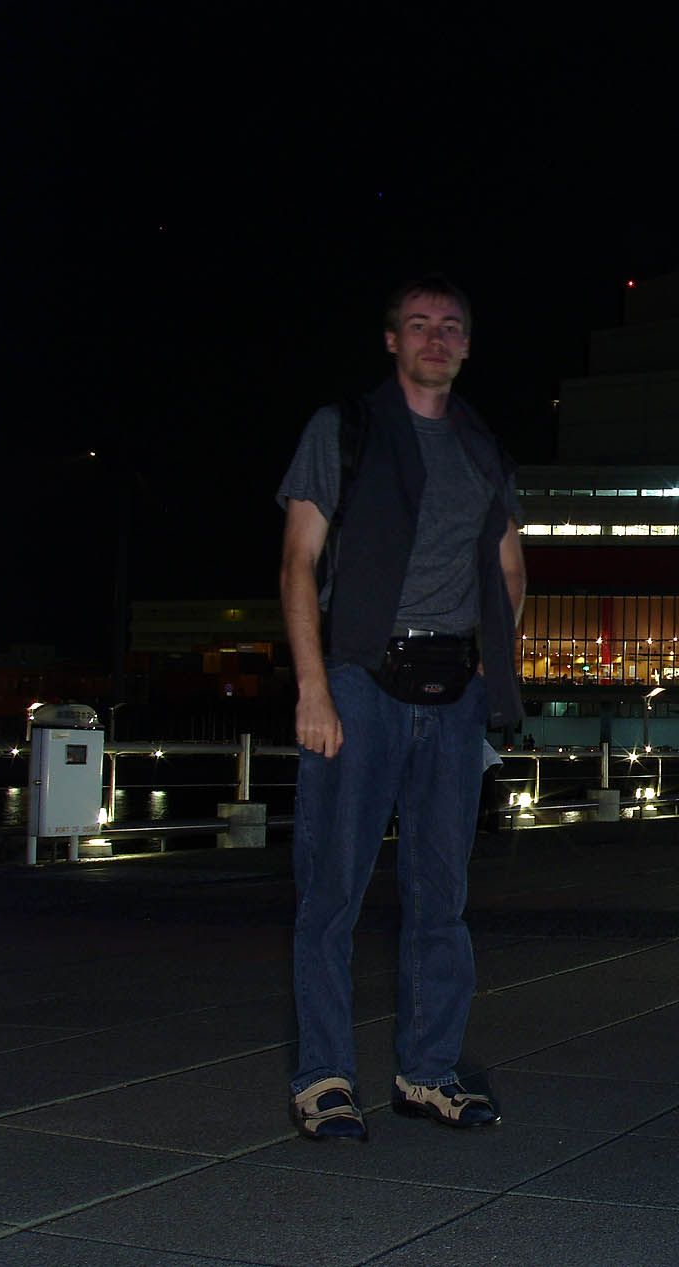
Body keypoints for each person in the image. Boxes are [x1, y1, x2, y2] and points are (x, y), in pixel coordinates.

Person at [277, 276, 525, 1141]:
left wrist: (493, 659)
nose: (435, 338)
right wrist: (313, 687)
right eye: (418, 325)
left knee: (440, 898)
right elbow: (298, 562)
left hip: (454, 692)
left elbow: (509, 564)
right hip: (359, 679)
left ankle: (428, 1072)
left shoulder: (482, 444)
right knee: (332, 890)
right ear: (392, 340)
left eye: (451, 326)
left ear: (467, 345)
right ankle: (324, 1076)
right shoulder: (343, 428)